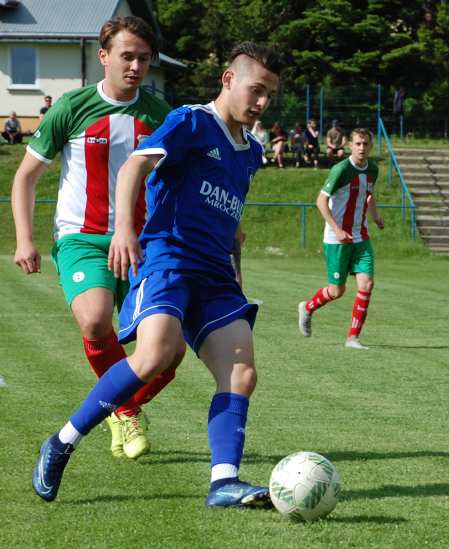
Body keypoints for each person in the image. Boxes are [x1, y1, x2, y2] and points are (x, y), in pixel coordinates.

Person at [31, 41, 281, 507]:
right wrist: (125, 228)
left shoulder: (251, 152)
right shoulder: (191, 121)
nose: (262, 102)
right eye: (256, 90)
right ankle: (61, 442)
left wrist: (238, 275)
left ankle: (223, 482)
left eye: (270, 94)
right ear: (228, 79)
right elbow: (134, 167)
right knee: (155, 355)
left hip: (216, 277)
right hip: (168, 258)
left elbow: (233, 229)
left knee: (241, 372)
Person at [11, 16, 173, 460]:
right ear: (104, 57)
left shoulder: (162, 117)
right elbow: (25, 178)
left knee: (169, 353)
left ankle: (121, 407)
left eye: (143, 58)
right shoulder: (71, 107)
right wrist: (25, 239)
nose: (136, 66)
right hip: (82, 239)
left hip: (144, 244)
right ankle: (126, 412)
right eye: (126, 56)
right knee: (96, 320)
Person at [297, 128, 385, 350]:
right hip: (337, 239)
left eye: (365, 144)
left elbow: (369, 194)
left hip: (361, 236)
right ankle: (307, 307)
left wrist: (376, 216)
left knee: (367, 284)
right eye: (357, 144)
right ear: (349, 145)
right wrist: (336, 229)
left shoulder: (373, 169)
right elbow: (320, 201)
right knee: (337, 291)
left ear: (371, 145)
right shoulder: (341, 169)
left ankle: (352, 338)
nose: (362, 148)